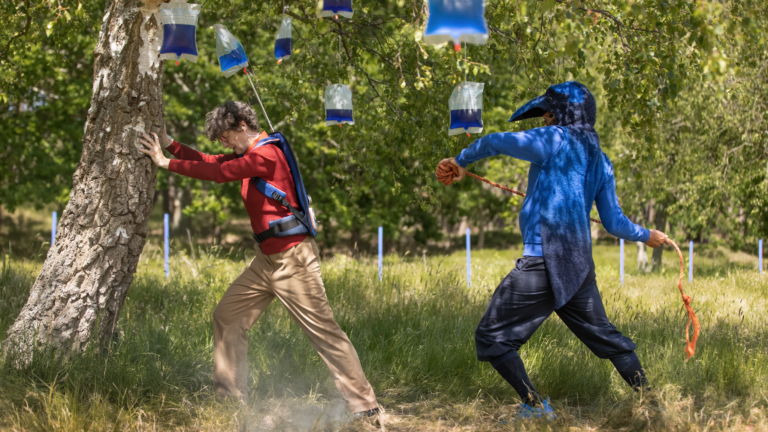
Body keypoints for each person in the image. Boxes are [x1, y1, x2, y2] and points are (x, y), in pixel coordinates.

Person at [437, 82, 668, 418]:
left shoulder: (554, 138)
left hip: (543, 261)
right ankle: (655, 405)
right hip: (578, 264)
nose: (544, 118)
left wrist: (460, 160)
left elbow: (496, 141)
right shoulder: (600, 160)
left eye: (548, 112)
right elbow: (615, 222)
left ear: (562, 114)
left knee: (492, 337)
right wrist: (647, 235)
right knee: (607, 338)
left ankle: (535, 408)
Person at [138, 101, 378, 417]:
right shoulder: (248, 154)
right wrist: (172, 145)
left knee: (324, 332)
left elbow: (220, 172)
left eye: (225, 136)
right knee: (227, 315)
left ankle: (365, 407)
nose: (223, 144)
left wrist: (165, 162)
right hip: (265, 261)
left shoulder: (267, 154)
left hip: (294, 261)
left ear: (241, 125)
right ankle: (229, 401)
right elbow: (211, 160)